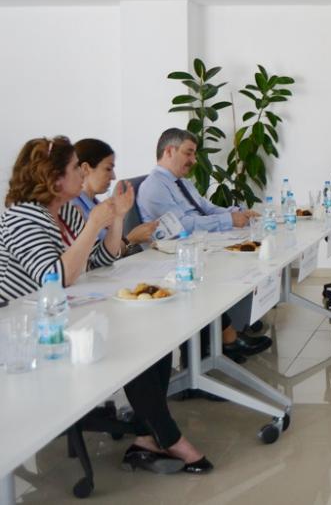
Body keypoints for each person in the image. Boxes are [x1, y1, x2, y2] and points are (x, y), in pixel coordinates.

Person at [0, 137, 212, 474]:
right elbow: (55, 277)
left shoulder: (64, 212)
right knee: (131, 344)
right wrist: (93, 225)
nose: (81, 174)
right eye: (75, 168)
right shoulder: (22, 217)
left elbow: (99, 260)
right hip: (23, 330)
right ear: (53, 178)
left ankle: (148, 437)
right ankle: (167, 437)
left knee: (151, 335)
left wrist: (116, 220)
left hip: (61, 312)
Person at [136, 128, 269, 362]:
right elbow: (183, 225)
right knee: (225, 268)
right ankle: (223, 341)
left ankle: (232, 331)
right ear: (169, 151)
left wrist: (237, 213)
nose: (194, 160)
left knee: (248, 255)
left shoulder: (182, 183)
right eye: (188, 153)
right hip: (174, 256)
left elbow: (206, 208)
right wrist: (228, 220)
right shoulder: (154, 186)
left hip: (197, 245)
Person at [73, 138, 159, 247]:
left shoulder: (97, 205)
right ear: (85, 168)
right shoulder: (74, 209)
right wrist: (131, 239)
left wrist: (119, 216)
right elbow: (95, 255)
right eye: (108, 169)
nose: (113, 177)